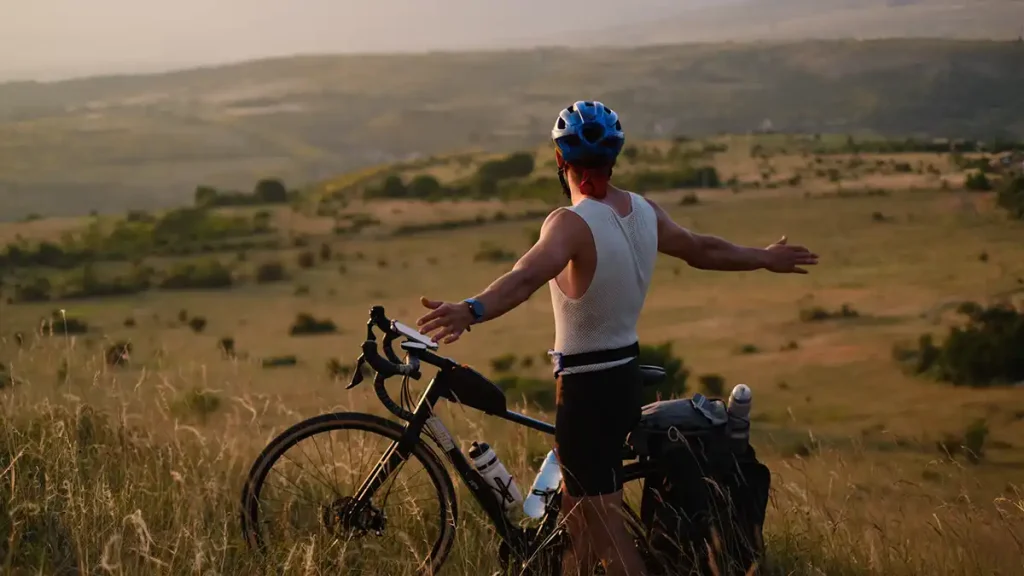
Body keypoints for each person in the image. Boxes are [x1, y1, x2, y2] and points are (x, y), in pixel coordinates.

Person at [417, 101, 818, 576]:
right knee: (577, 516)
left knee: (603, 524)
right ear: (613, 159)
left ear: (560, 161)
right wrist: (763, 257)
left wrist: (470, 310)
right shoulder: (643, 212)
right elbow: (702, 249)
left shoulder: (569, 224)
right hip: (623, 375)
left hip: (586, 390)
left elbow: (525, 277)